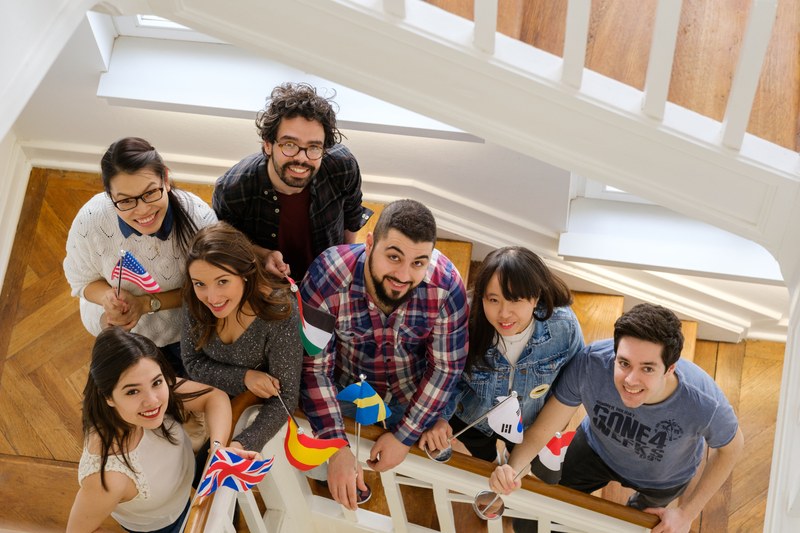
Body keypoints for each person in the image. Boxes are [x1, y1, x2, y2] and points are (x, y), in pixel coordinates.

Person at [490, 303, 744, 533]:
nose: (630, 380)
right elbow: (545, 428)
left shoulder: (704, 403)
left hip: (663, 479)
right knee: (536, 518)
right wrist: (514, 467)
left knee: (637, 525)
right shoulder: (590, 364)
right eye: (624, 363)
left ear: (669, 369)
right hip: (595, 450)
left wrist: (687, 513)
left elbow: (732, 449)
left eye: (647, 368)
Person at [299, 198, 469, 510]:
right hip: (350, 391)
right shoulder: (326, 278)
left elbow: (446, 369)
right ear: (370, 243)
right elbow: (314, 368)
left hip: (413, 392)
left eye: (418, 262)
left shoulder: (446, 286)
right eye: (394, 257)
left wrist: (405, 436)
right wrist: (336, 445)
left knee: (450, 466)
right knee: (316, 466)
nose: (404, 275)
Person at [65, 327, 247, 533]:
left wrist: (217, 449)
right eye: (132, 391)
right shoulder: (107, 478)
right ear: (107, 396)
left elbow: (215, 397)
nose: (153, 401)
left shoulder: (158, 391)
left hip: (186, 490)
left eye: (157, 382)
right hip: (164, 527)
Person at [63, 137, 217, 374]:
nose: (143, 210)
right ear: (109, 196)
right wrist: (107, 298)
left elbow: (207, 289)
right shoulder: (90, 221)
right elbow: (81, 280)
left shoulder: (199, 219)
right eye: (125, 200)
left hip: (182, 326)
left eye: (150, 193)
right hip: (119, 330)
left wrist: (146, 304)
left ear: (165, 179)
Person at [418, 246, 584, 463]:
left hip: (530, 421)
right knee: (484, 456)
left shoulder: (564, 328)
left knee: (519, 455)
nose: (504, 314)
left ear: (536, 297)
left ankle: (508, 456)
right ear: (482, 298)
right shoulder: (462, 323)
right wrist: (441, 417)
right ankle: (495, 460)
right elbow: (447, 375)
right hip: (473, 418)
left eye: (515, 300)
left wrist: (554, 422)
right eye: (494, 300)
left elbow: (572, 381)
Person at [213, 82, 373, 280]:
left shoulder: (342, 166)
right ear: (268, 145)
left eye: (314, 147)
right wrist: (264, 256)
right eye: (290, 144)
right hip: (266, 282)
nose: (302, 158)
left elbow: (352, 217)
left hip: (326, 275)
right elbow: (230, 243)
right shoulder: (233, 189)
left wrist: (344, 265)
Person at [181, 221, 302, 452]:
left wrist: (243, 444)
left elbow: (285, 396)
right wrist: (244, 377)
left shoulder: (279, 312)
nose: (211, 297)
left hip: (254, 410)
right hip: (203, 406)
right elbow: (192, 362)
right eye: (200, 284)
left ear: (245, 274)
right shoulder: (194, 299)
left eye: (223, 281)